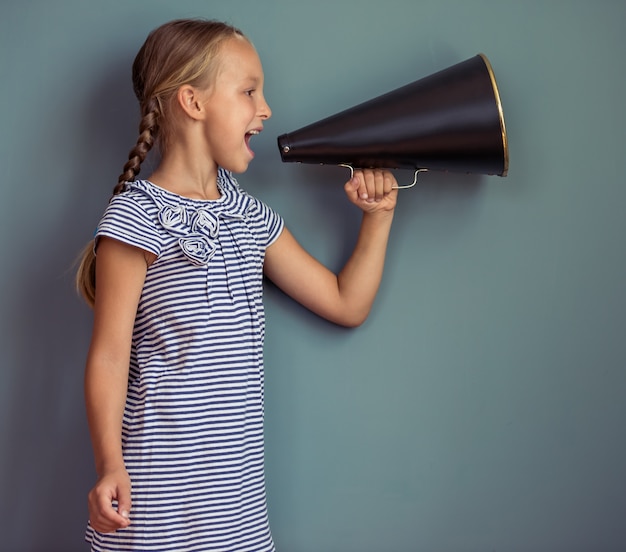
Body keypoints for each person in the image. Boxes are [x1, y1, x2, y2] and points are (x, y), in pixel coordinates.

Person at [76, 18, 398, 552]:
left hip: (238, 513)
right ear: (193, 103)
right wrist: (110, 463)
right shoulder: (137, 216)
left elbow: (346, 302)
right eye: (249, 91)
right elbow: (110, 356)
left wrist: (379, 215)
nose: (266, 108)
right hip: (152, 503)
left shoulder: (250, 216)